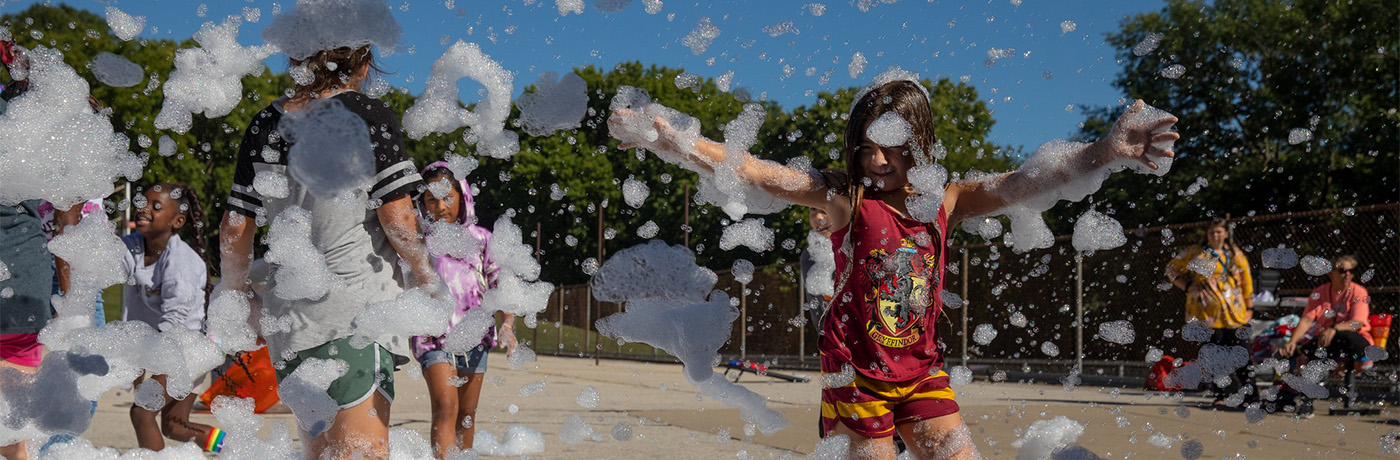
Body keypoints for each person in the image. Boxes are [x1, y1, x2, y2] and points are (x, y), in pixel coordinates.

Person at [610, 79, 1176, 459]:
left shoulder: (946, 200)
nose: (876, 160)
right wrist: (676, 138)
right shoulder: (846, 200)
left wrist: (1103, 151)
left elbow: (1025, 183)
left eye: (892, 146)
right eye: (865, 148)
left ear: (919, 144)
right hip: (856, 374)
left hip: (921, 371)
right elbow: (759, 174)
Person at [218, 44, 437, 459]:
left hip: (289, 326)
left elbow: (234, 229)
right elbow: (400, 222)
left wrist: (237, 295)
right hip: (355, 316)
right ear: (365, 63)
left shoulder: (266, 122)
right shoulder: (365, 114)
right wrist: (428, 279)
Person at [412, 163, 517, 458]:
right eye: (431, 199)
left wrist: (507, 325)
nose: (440, 206)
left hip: (475, 336)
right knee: (446, 407)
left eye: (447, 197)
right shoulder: (420, 241)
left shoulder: (481, 239)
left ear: (463, 196)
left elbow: (499, 285)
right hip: (433, 338)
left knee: (467, 414)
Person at [118, 183, 226, 453]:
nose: (144, 208)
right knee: (174, 426)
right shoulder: (133, 247)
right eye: (143, 202)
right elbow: (107, 264)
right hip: (168, 347)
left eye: (156, 206)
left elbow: (175, 318)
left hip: (188, 350)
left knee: (141, 413)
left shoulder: (181, 261)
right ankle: (235, 447)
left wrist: (143, 358)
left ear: (177, 221)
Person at [1164, 218, 1256, 407]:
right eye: (1212, 232)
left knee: (1243, 354)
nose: (1215, 235)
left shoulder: (1235, 253)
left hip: (1235, 314)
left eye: (1219, 231)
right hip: (1208, 315)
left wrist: (1250, 307)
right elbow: (1171, 269)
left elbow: (1246, 280)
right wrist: (1188, 286)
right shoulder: (1196, 253)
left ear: (1226, 233)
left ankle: (1251, 395)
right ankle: (1220, 395)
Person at [1280, 255, 1372, 366]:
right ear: (1331, 273)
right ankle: (1297, 352)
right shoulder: (1319, 293)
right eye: (1342, 271)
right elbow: (1306, 320)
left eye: (1351, 271)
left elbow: (1357, 323)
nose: (1347, 274)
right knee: (1319, 345)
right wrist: (1292, 341)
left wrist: (1334, 329)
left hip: (1354, 341)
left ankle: (1302, 350)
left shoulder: (1359, 292)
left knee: (1345, 337)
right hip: (1326, 342)